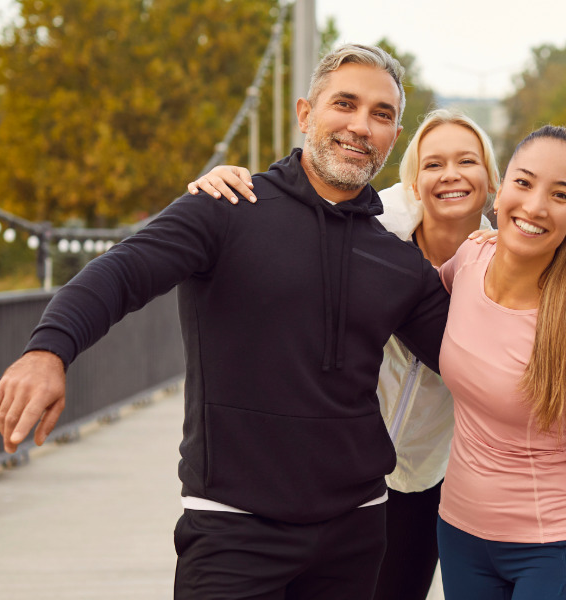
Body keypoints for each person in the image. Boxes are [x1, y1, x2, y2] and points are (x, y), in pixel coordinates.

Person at [0, 44, 451, 600]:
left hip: (356, 532)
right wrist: (48, 351)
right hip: (233, 529)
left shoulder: (397, 261)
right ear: (305, 114)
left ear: (393, 137)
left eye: (381, 114)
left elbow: (475, 353)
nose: (360, 125)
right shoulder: (225, 206)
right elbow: (120, 274)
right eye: (344, 104)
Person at [190, 107, 500, 600]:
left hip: (431, 478)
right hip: (344, 476)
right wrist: (234, 190)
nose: (450, 175)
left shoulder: (509, 263)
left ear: (492, 182)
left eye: (468, 161)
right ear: (414, 180)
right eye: (433, 163)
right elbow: (301, 204)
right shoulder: (371, 228)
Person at [434, 125, 566, 600]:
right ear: (500, 189)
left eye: (560, 195)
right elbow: (398, 280)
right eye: (523, 183)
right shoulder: (468, 259)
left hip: (551, 549)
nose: (534, 206)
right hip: (458, 532)